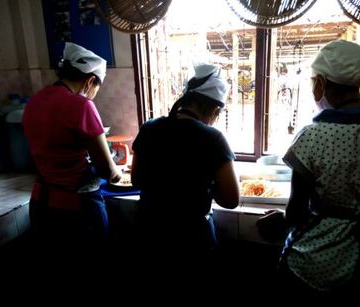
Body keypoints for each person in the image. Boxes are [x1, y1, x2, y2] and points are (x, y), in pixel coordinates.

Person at [279, 39, 360, 297]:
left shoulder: (313, 137)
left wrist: (277, 222)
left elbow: (296, 213)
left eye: (314, 81)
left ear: (322, 84)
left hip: (312, 264)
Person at [131, 63, 239, 257]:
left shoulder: (149, 128)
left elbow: (136, 180)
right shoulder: (213, 138)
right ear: (215, 110)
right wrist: (204, 184)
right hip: (192, 238)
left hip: (148, 233)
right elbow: (231, 200)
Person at [23, 42, 122, 251]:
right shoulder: (82, 105)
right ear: (90, 81)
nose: (93, 94)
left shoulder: (35, 101)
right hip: (76, 210)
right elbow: (106, 170)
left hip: (41, 204)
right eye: (96, 89)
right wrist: (117, 173)